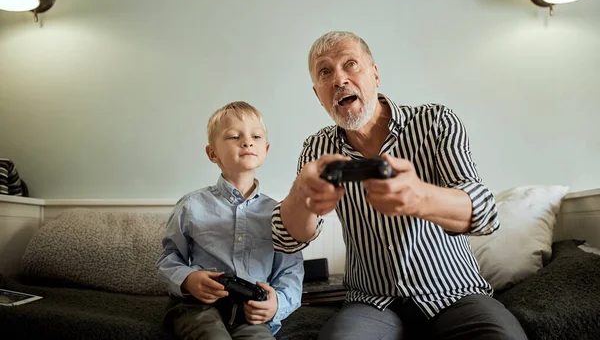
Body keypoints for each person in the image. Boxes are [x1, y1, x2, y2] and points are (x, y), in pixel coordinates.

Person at [271, 31, 527, 339]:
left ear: (375, 74)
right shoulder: (316, 150)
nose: (339, 79)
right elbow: (288, 240)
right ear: (318, 94)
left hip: (456, 293)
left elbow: (486, 215)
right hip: (372, 302)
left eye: (350, 64)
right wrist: (301, 198)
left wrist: (420, 198)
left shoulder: (436, 122)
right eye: (325, 72)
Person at [157, 101, 304, 340]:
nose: (247, 142)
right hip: (197, 307)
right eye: (234, 136)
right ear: (212, 153)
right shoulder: (191, 205)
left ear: (265, 149)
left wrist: (277, 304)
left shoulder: (279, 213)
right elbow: (168, 259)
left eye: (255, 136)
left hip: (250, 312)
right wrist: (188, 280)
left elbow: (290, 271)